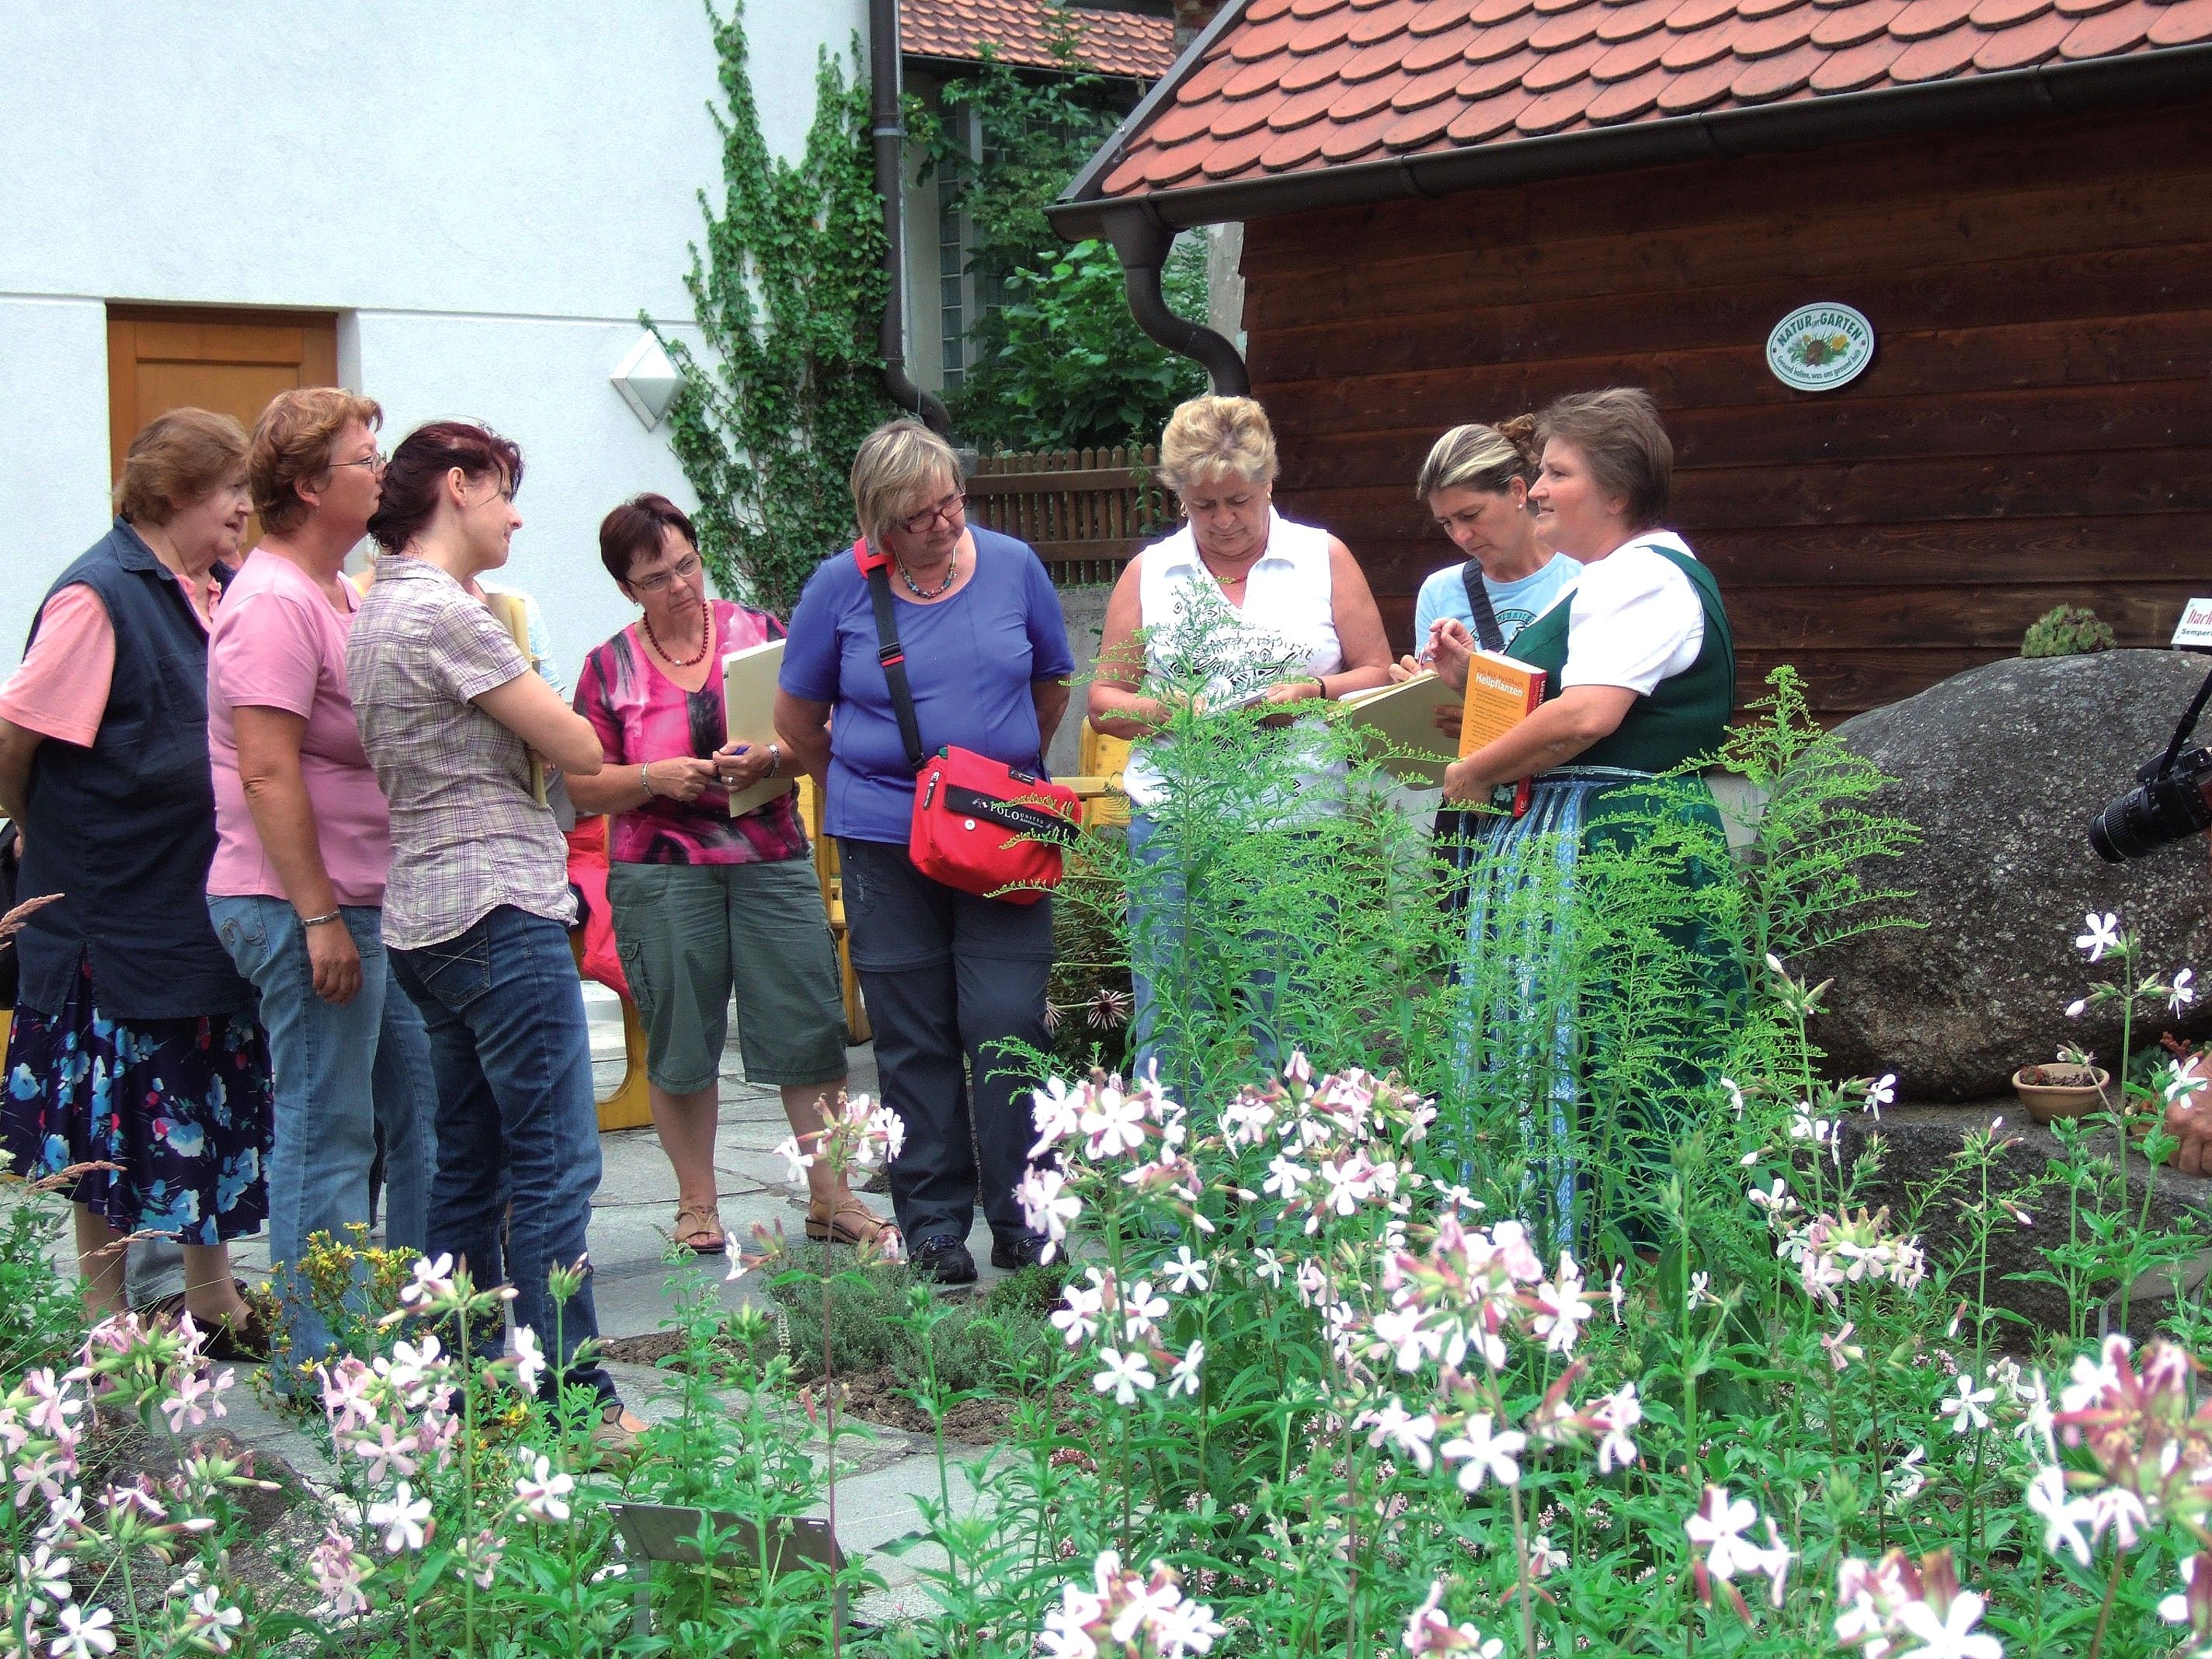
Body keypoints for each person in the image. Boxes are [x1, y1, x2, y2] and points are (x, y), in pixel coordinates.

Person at [346, 420, 640, 1438]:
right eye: (504, 491)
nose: (515, 514)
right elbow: (581, 745)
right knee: (555, 1162)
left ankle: (463, 1389)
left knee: (464, 1163)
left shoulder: (374, 606)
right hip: (499, 907)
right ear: (457, 487)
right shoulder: (451, 613)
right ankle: (578, 1401)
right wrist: (548, 706)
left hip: (420, 918)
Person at [1437, 388, 1740, 1247]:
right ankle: (1564, 1252)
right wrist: (1473, 682)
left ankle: (1607, 1262)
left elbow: (1584, 718)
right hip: (1599, 832)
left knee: (1612, 1049)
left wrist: (1469, 771)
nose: (1534, 490)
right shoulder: (1622, 579)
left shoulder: (1638, 576)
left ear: (1615, 491)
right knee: (1588, 1045)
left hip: (1617, 842)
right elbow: (1555, 698)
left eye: (1555, 473)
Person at [775, 419, 1074, 1285]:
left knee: (1007, 1021)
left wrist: (986, 780)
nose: (943, 524)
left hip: (1003, 834)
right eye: (917, 516)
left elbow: (1050, 687)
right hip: (884, 839)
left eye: (950, 503)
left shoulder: (1015, 566)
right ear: (878, 522)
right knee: (912, 1035)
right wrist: (879, 797)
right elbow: (798, 725)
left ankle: (1026, 1216)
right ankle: (935, 1228)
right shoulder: (838, 588)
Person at [0, 409, 272, 1349]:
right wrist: (41, 831)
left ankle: (212, 1297)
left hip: (200, 897)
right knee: (113, 1122)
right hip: (112, 909)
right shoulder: (99, 595)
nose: (245, 506)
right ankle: (105, 1322)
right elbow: (14, 740)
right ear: (173, 493)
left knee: (206, 1098)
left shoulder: (222, 588)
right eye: (231, 487)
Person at [569, 494, 889, 1257]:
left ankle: (832, 1196)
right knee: (681, 1041)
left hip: (770, 860)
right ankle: (696, 1207)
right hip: (661, 876)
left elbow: (825, 727)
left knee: (807, 1028)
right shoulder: (605, 667)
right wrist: (655, 777)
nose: (680, 585)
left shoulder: (762, 637)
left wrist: (774, 758)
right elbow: (583, 786)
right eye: (656, 577)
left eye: (687, 564)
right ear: (626, 588)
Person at [204, 388, 436, 1369]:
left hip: (367, 899)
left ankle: (412, 1321)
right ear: (306, 486)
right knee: (328, 1130)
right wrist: (318, 918)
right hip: (301, 903)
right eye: (363, 459)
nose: (381, 473)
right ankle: (321, 1358)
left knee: (415, 1112)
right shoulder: (269, 603)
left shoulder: (341, 590)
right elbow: (266, 771)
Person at [1087, 395, 1393, 1079]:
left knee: (1289, 1016)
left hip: (1298, 824)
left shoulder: (1322, 557)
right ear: (1180, 498)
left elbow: (1377, 673)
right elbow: (1105, 703)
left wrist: (1312, 694)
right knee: (1172, 1014)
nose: (1223, 522)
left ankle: (1288, 1174)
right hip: (1176, 822)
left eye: (1239, 501)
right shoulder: (1152, 572)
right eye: (1203, 506)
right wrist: (1173, 713)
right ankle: (1171, 1174)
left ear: (1269, 484)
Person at [1393, 419, 1583, 899]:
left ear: (1519, 491)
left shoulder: (1584, 574)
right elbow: (1441, 736)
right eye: (1446, 523)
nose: (1461, 534)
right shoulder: (1441, 590)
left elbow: (1591, 705)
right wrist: (1416, 700)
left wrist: (1485, 709)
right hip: (1473, 809)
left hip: (1564, 798)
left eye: (1471, 514)